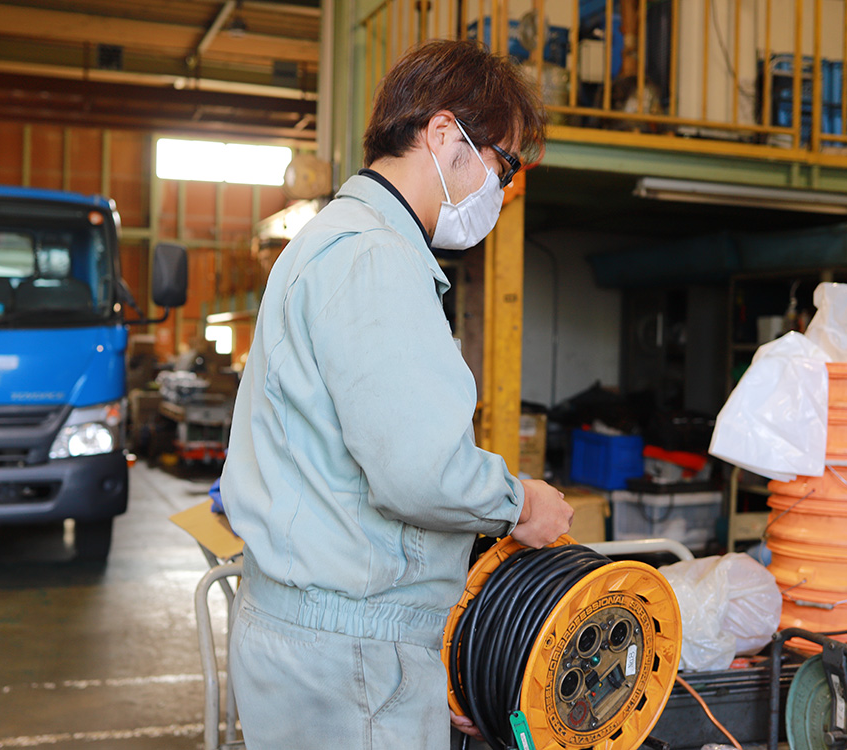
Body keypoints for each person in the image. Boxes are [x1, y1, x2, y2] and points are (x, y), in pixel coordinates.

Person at [220, 38, 574, 749]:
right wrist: (520, 502)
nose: (499, 192)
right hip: (349, 654)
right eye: (501, 167)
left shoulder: (333, 240)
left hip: (318, 637)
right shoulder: (376, 257)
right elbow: (420, 473)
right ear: (446, 135)